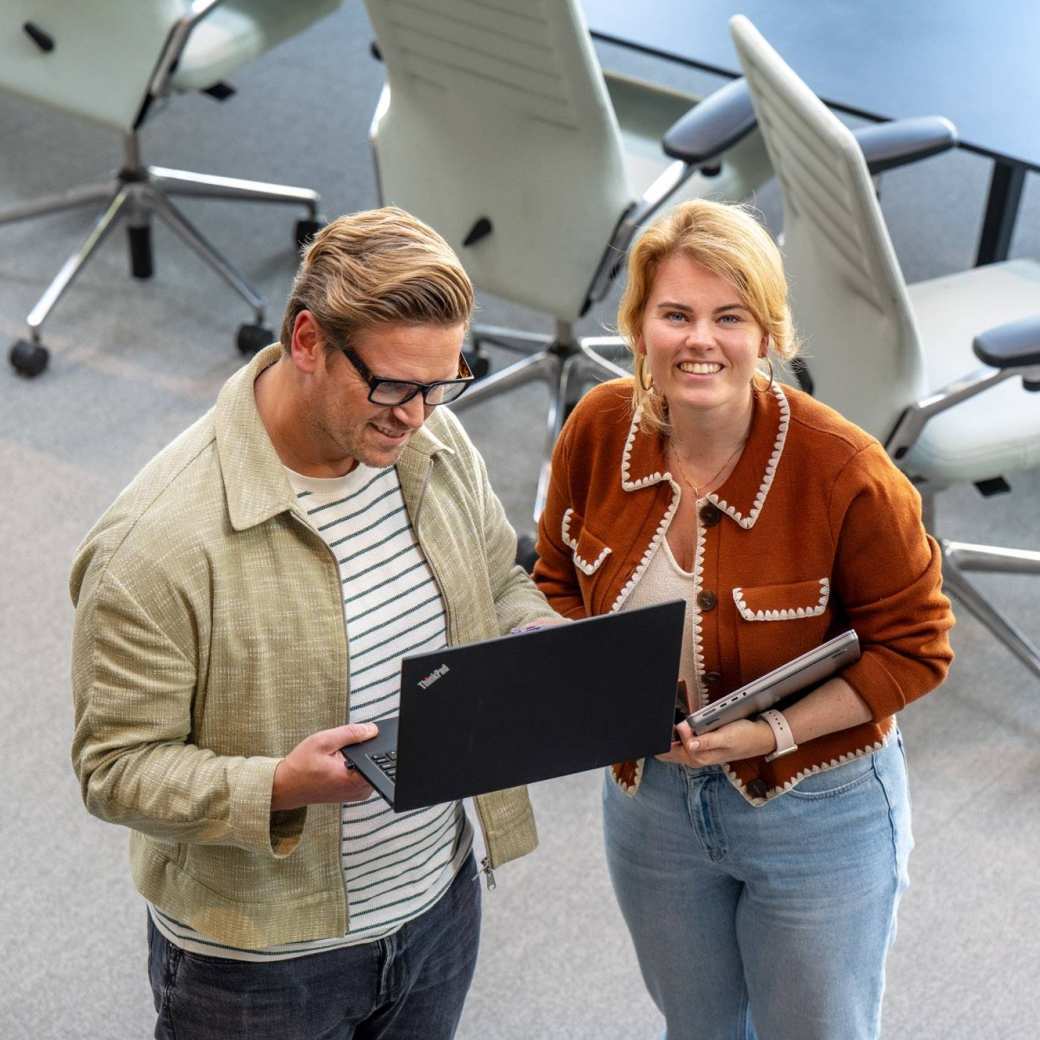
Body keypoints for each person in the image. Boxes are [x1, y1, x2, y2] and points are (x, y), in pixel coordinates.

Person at [70, 206, 560, 1040]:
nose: (416, 414)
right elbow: (114, 770)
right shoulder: (153, 547)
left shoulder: (433, 443)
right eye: (394, 385)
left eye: (444, 384)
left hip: (435, 905)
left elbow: (497, 580)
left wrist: (531, 638)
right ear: (307, 341)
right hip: (259, 967)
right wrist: (281, 787)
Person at [534, 199, 954, 1040]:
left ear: (767, 335)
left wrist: (769, 735)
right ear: (640, 327)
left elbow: (916, 650)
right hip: (648, 794)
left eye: (731, 318)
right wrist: (590, 695)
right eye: (676, 314)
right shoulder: (596, 429)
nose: (701, 340)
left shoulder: (845, 474)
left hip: (814, 803)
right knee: (698, 1028)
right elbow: (554, 581)